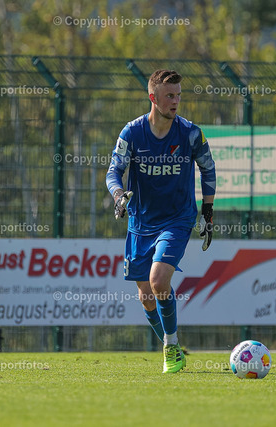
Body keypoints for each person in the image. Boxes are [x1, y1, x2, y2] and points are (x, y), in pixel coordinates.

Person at [106, 69, 216, 373]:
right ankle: (174, 346)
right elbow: (113, 172)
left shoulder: (191, 133)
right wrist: (118, 196)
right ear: (153, 97)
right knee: (146, 296)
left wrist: (207, 210)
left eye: (179, 95)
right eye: (170, 95)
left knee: (158, 281)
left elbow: (208, 168)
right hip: (141, 223)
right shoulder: (132, 132)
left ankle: (170, 347)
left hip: (177, 219)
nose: (176, 101)